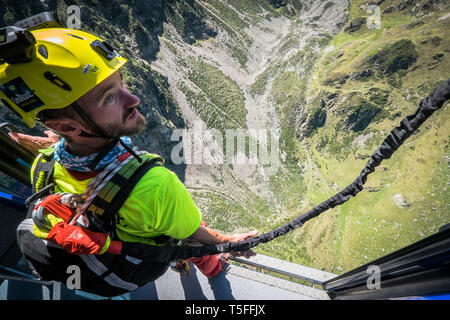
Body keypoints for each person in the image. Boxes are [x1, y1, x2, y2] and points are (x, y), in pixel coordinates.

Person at [1, 26, 256, 297]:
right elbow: (195, 235)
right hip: (136, 260)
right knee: (190, 231)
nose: (133, 99)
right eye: (109, 97)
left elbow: (67, 153)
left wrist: (54, 140)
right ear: (69, 126)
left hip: (100, 254)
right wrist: (229, 242)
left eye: (121, 83)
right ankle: (215, 269)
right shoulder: (156, 186)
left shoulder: (43, 164)